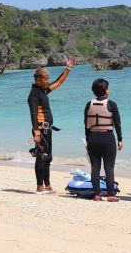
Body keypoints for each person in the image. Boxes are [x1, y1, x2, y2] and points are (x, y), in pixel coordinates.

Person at [27, 59, 76, 194]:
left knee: (48, 157)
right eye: (46, 79)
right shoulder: (33, 95)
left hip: (47, 129)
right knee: (41, 156)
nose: (48, 82)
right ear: (38, 80)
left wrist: (68, 69)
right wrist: (36, 132)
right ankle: (39, 187)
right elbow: (33, 114)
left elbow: (58, 82)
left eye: (48, 79)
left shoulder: (43, 91)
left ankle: (47, 185)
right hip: (41, 130)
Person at [84, 78, 123, 202]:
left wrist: (88, 140)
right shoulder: (111, 104)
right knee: (109, 168)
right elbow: (117, 123)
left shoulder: (88, 104)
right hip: (107, 139)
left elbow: (86, 124)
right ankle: (110, 195)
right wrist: (120, 139)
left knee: (95, 168)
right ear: (106, 90)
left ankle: (97, 195)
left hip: (92, 139)